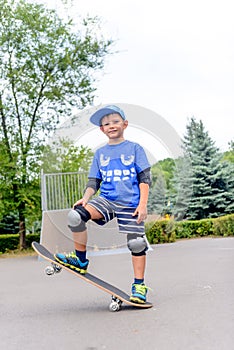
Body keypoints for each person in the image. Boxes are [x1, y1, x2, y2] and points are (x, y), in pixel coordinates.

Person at [55, 105, 151, 303]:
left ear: (125, 124)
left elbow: (144, 178)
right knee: (76, 216)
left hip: (131, 202)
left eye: (115, 121)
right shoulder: (100, 154)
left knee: (136, 242)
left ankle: (139, 285)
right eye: (106, 124)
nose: (111, 126)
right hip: (106, 199)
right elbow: (94, 181)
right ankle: (80, 260)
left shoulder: (135, 148)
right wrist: (86, 198)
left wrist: (142, 205)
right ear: (102, 129)